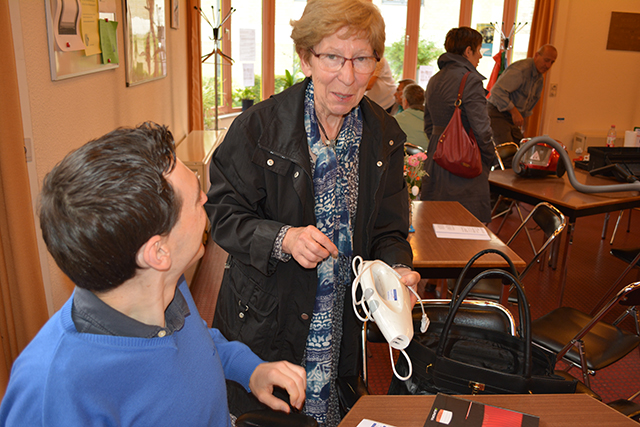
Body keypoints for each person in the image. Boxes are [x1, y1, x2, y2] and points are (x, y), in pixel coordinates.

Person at [0, 122, 307, 427]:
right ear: (158, 252)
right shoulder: (50, 393)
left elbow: (199, 342)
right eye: (195, 196)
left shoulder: (164, 287)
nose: (205, 199)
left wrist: (250, 370)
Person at [205, 0, 420, 425]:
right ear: (306, 59)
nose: (348, 75)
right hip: (268, 318)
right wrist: (282, 238)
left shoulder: (384, 136)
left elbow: (390, 229)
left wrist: (397, 268)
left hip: (342, 321)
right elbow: (223, 214)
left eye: (361, 59)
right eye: (333, 57)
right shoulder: (259, 127)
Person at [420, 27, 495, 223]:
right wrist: (488, 157)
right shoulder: (470, 79)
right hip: (464, 164)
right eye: (478, 49)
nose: (480, 55)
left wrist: (442, 144)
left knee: (434, 223)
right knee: (465, 228)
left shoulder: (434, 80)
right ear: (468, 51)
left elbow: (428, 124)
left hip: (436, 158)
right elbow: (482, 129)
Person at [487, 44, 558, 144]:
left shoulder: (539, 78)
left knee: (522, 149)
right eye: (546, 60)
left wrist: (524, 129)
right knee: (507, 151)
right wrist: (514, 112)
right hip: (497, 112)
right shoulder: (521, 70)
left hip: (511, 117)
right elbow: (497, 91)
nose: (548, 65)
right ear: (537, 55)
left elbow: (528, 108)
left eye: (552, 62)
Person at [394, 83, 429, 150]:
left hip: (405, 158)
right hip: (427, 157)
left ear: (406, 101)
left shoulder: (396, 120)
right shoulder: (431, 119)